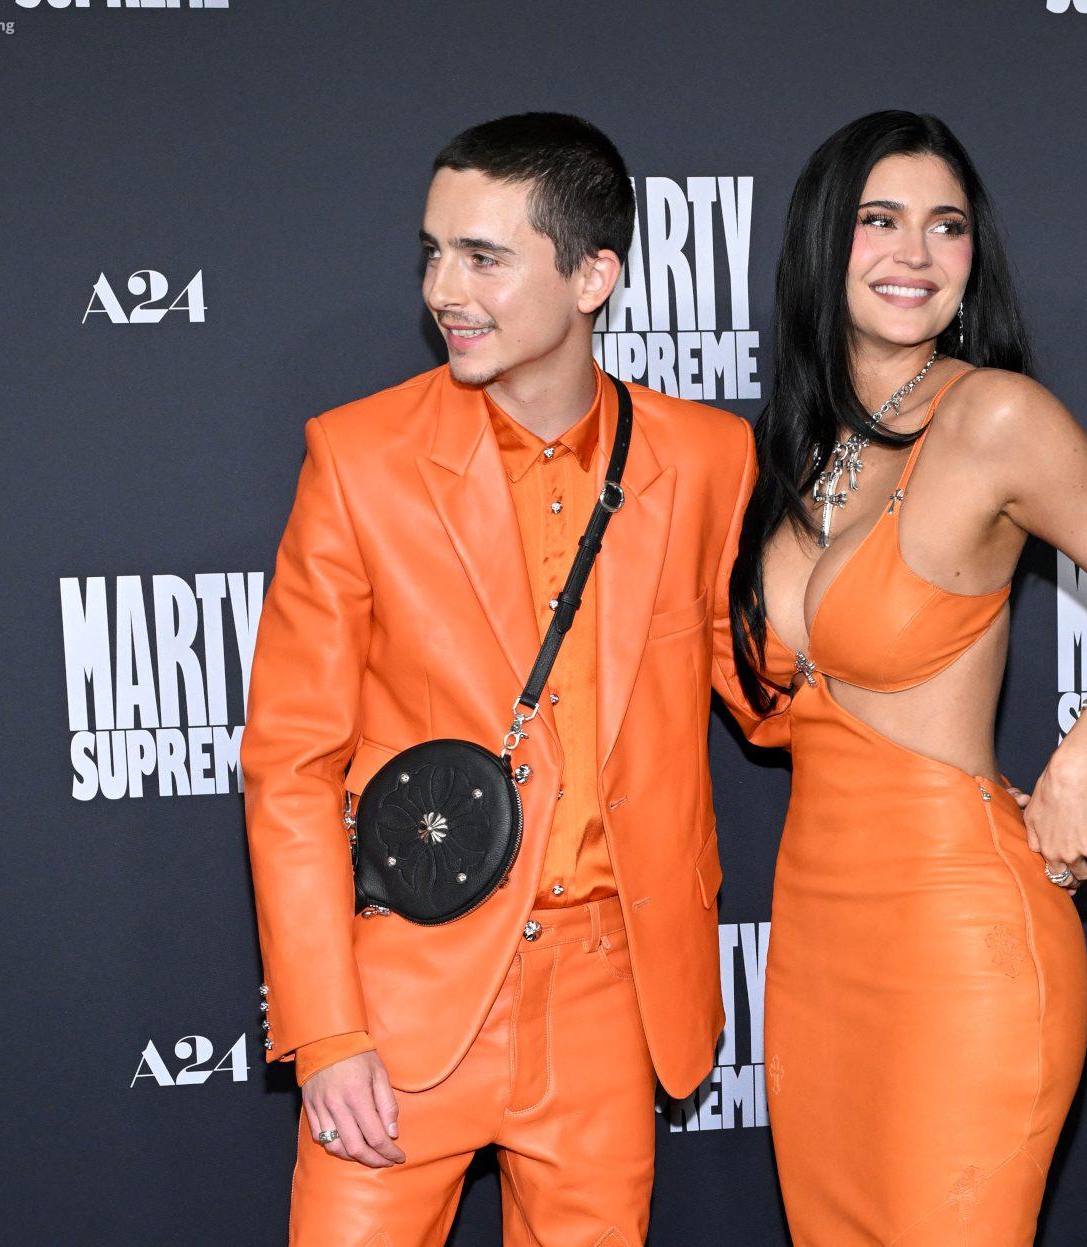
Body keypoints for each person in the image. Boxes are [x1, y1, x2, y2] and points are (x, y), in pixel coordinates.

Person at [242, 112, 764, 1246]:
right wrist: (327, 1031)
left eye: (483, 257)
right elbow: (290, 762)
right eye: (433, 252)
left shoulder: (707, 457)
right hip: (404, 1002)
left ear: (593, 276)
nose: (444, 289)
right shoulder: (360, 459)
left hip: (609, 1000)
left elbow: (769, 699)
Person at [725, 111, 1087, 1245]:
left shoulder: (994, 415)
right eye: (880, 221)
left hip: (960, 937)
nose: (916, 253)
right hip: (815, 940)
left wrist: (1081, 762)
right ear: (822, 244)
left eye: (945, 227)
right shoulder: (793, 448)